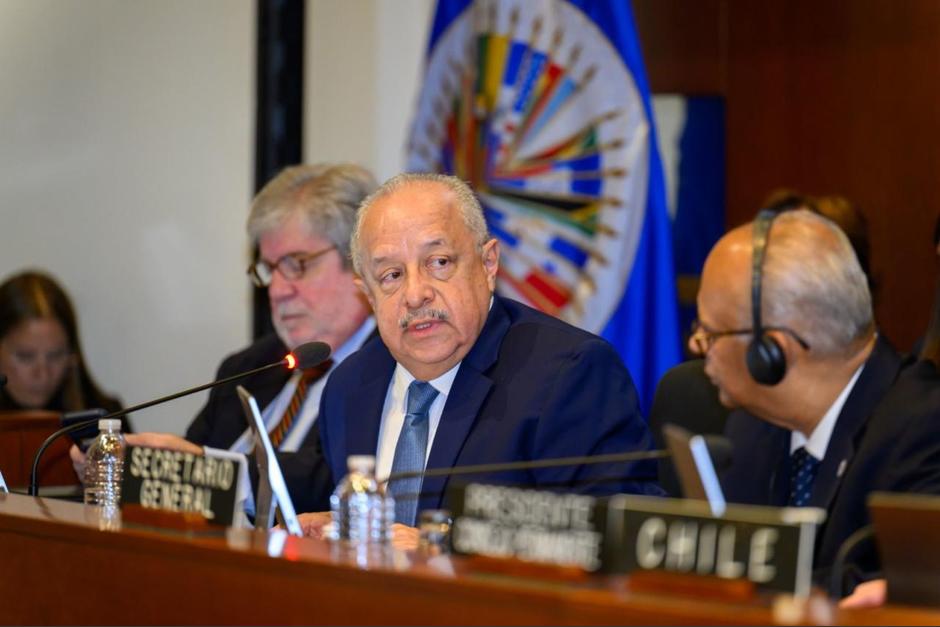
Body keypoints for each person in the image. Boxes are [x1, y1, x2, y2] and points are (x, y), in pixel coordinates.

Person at [293, 172, 661, 537]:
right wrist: (343, 526)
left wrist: (445, 547)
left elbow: (611, 534)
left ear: (488, 264)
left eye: (439, 262)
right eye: (391, 275)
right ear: (368, 294)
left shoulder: (569, 374)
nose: (416, 293)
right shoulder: (349, 386)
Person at [692, 208, 940, 598]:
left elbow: (906, 589)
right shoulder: (751, 429)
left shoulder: (923, 431)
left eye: (710, 332)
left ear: (773, 351)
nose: (696, 346)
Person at [184, 163, 377, 461]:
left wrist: (224, 477)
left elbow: (331, 481)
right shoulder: (245, 369)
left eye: (297, 263)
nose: (276, 290)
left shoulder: (392, 372)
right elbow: (185, 464)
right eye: (271, 269)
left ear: (356, 262)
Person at [0, 270, 121, 414]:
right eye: (26, 356)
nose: (43, 374)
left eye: (55, 355)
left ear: (72, 355)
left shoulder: (106, 417)